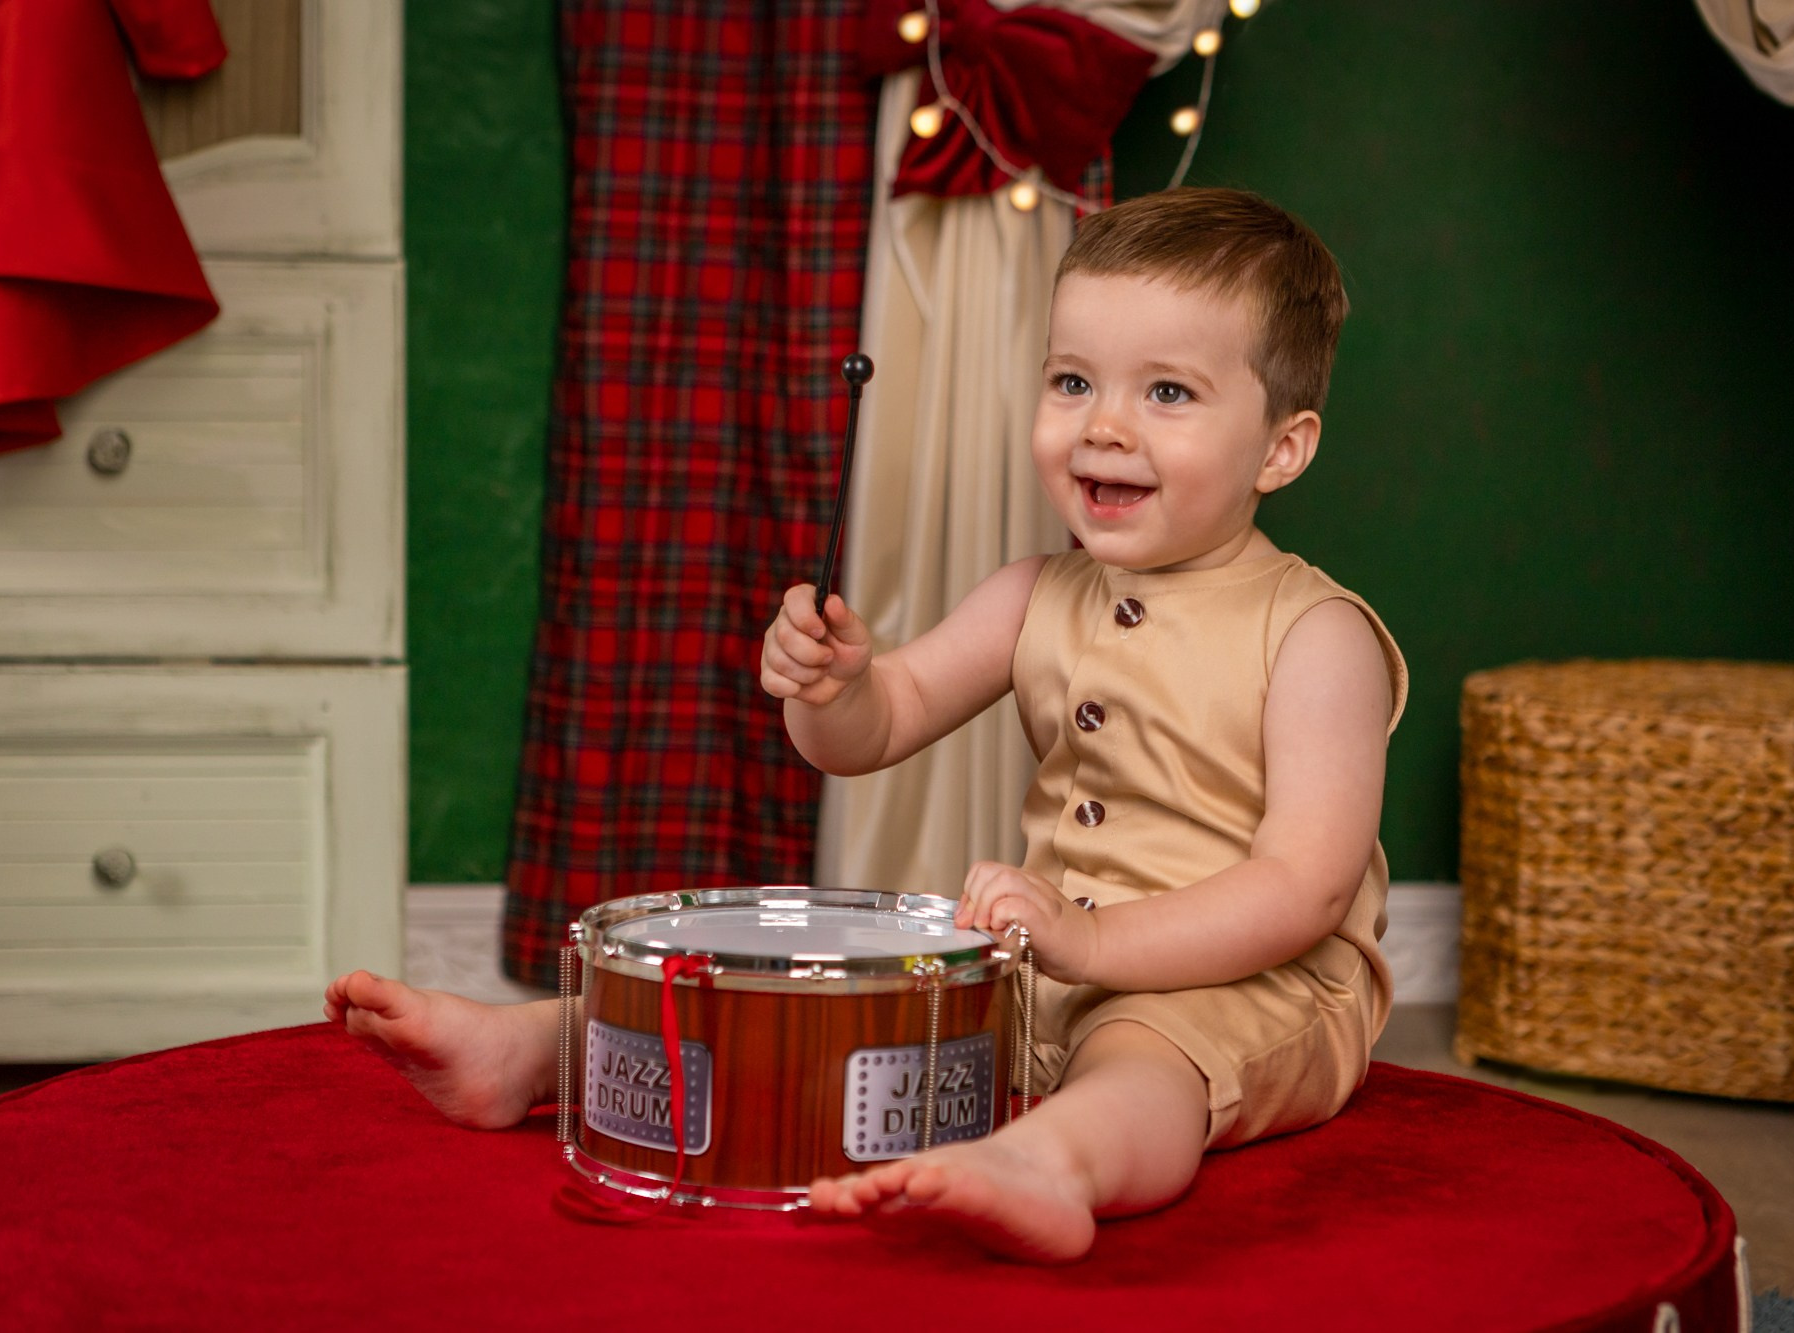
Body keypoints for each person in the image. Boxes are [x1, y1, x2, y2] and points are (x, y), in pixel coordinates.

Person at [326, 186, 1406, 1264]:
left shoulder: (1313, 635)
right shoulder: (1035, 590)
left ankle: (1053, 1165)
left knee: (1141, 1057)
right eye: (1071, 381)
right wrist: (831, 688)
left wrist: (1093, 943)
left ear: (1280, 448)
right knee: (858, 998)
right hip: (1048, 958)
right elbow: (874, 729)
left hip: (1250, 986)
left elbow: (1301, 889)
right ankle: (539, 1050)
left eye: (1167, 391)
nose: (1103, 425)